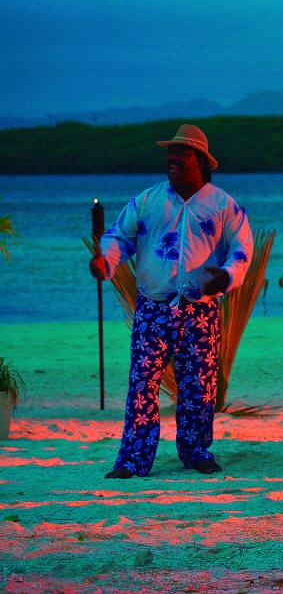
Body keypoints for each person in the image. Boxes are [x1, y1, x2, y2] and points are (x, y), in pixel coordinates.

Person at [88, 124, 253, 478]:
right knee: (143, 381)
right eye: (171, 153)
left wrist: (226, 276)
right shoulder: (147, 200)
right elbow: (118, 237)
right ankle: (134, 459)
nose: (173, 158)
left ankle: (195, 451)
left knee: (199, 384)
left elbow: (241, 250)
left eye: (183, 153)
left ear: (201, 162)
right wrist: (107, 260)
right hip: (153, 304)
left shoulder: (224, 205)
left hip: (201, 308)